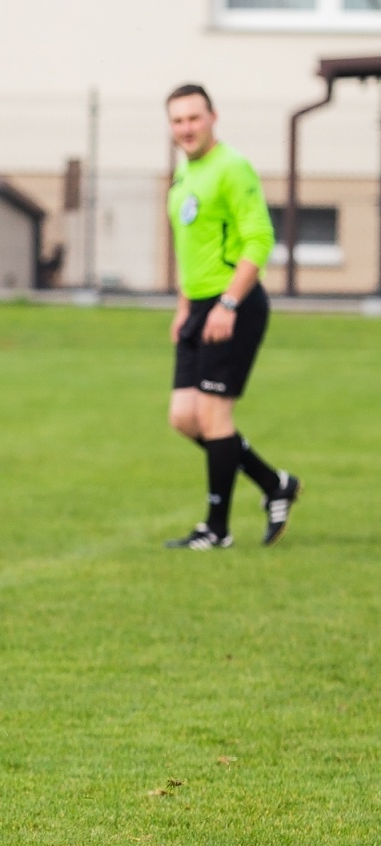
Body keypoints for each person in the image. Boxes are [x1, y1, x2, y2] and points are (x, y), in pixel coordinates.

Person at [163, 84, 301, 550]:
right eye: (177, 120)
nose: (185, 128)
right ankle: (273, 483)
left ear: (212, 117)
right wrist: (185, 307)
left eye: (193, 118)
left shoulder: (232, 167)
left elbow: (258, 239)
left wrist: (228, 303)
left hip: (233, 305)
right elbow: (190, 250)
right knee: (184, 417)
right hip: (197, 307)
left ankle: (216, 529)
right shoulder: (184, 174)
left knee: (213, 416)